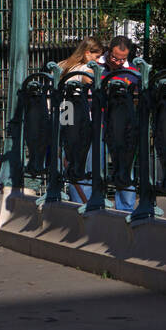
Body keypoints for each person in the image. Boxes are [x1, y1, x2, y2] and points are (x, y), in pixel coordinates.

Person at [58, 36, 104, 205]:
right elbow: (92, 82)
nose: (98, 60)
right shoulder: (87, 68)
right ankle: (85, 200)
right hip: (78, 112)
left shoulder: (63, 65)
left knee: (68, 151)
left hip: (65, 110)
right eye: (97, 56)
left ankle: (75, 194)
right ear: (87, 53)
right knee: (82, 154)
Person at [102, 35, 140, 212]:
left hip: (123, 126)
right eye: (115, 57)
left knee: (125, 167)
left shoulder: (132, 71)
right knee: (97, 166)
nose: (118, 62)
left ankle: (126, 208)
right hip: (100, 123)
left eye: (122, 59)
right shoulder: (97, 67)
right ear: (109, 50)